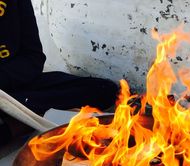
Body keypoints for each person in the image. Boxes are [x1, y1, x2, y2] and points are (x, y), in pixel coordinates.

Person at [0, 0, 119, 144]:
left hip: (17, 87)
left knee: (104, 90)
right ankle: (20, 125)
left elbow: (33, 57)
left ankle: (28, 117)